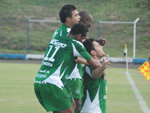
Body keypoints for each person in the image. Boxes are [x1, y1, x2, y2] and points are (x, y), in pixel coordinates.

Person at [34, 23, 104, 113]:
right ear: (79, 36)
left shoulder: (55, 39)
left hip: (39, 80)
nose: (83, 41)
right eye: (83, 39)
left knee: (70, 108)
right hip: (53, 82)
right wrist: (101, 65)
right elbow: (94, 65)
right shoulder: (75, 44)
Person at [80, 38, 110, 113]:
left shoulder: (95, 64)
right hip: (90, 109)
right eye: (98, 46)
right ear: (93, 52)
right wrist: (102, 68)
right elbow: (94, 75)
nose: (102, 47)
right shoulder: (90, 65)